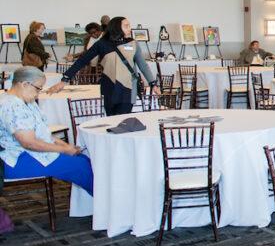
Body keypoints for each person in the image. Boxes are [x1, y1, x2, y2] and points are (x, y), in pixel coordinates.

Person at [0, 68, 94, 224]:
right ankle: (110, 205)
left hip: (29, 154)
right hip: (17, 160)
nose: (38, 93)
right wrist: (65, 149)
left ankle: (100, 204)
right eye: (38, 88)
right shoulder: (11, 105)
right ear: (24, 84)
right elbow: (29, 142)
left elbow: (42, 133)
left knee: (83, 161)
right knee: (81, 167)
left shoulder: (23, 101)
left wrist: (65, 146)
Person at [49, 16, 157, 115]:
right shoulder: (102, 44)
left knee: (123, 119)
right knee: (111, 118)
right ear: (116, 27)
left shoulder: (133, 43)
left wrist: (153, 83)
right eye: (126, 26)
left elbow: (143, 65)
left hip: (129, 88)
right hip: (109, 87)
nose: (130, 28)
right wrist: (65, 79)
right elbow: (82, 61)